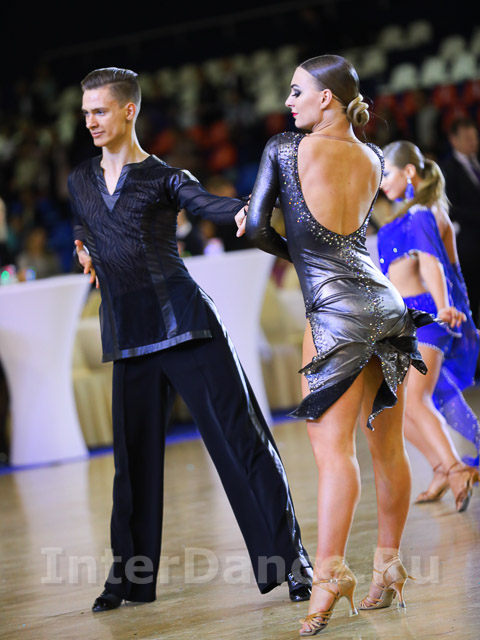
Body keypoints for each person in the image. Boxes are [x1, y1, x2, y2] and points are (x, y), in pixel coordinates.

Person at [68, 67, 312, 613]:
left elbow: (205, 203)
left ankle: (291, 562)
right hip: (128, 334)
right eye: (85, 113)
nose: (90, 122)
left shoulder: (164, 176)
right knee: (131, 467)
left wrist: (244, 209)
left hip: (186, 323)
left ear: (128, 110)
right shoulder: (79, 179)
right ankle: (129, 580)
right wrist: (84, 248)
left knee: (242, 442)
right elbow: (84, 224)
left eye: (100, 111)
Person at [240, 54, 431, 636]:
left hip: (334, 314)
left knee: (334, 455)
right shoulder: (373, 157)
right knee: (388, 450)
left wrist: (280, 243)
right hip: (386, 304)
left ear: (326, 98)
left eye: (297, 91)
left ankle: (328, 578)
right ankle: (388, 566)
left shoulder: (284, 149)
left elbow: (260, 228)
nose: (288, 102)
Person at [377, 140, 480, 508]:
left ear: (408, 172)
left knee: (416, 400)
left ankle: (454, 468)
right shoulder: (421, 211)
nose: (381, 183)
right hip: (408, 318)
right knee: (401, 406)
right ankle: (441, 468)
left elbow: (433, 264)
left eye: (386, 174)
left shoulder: (422, 214)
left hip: (424, 316)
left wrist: (446, 306)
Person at [441, 117, 480, 328]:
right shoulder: (448, 169)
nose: (473, 142)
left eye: (474, 137)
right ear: (453, 140)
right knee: (471, 296)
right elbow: (450, 207)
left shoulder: (477, 162)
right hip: (467, 244)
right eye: (467, 138)